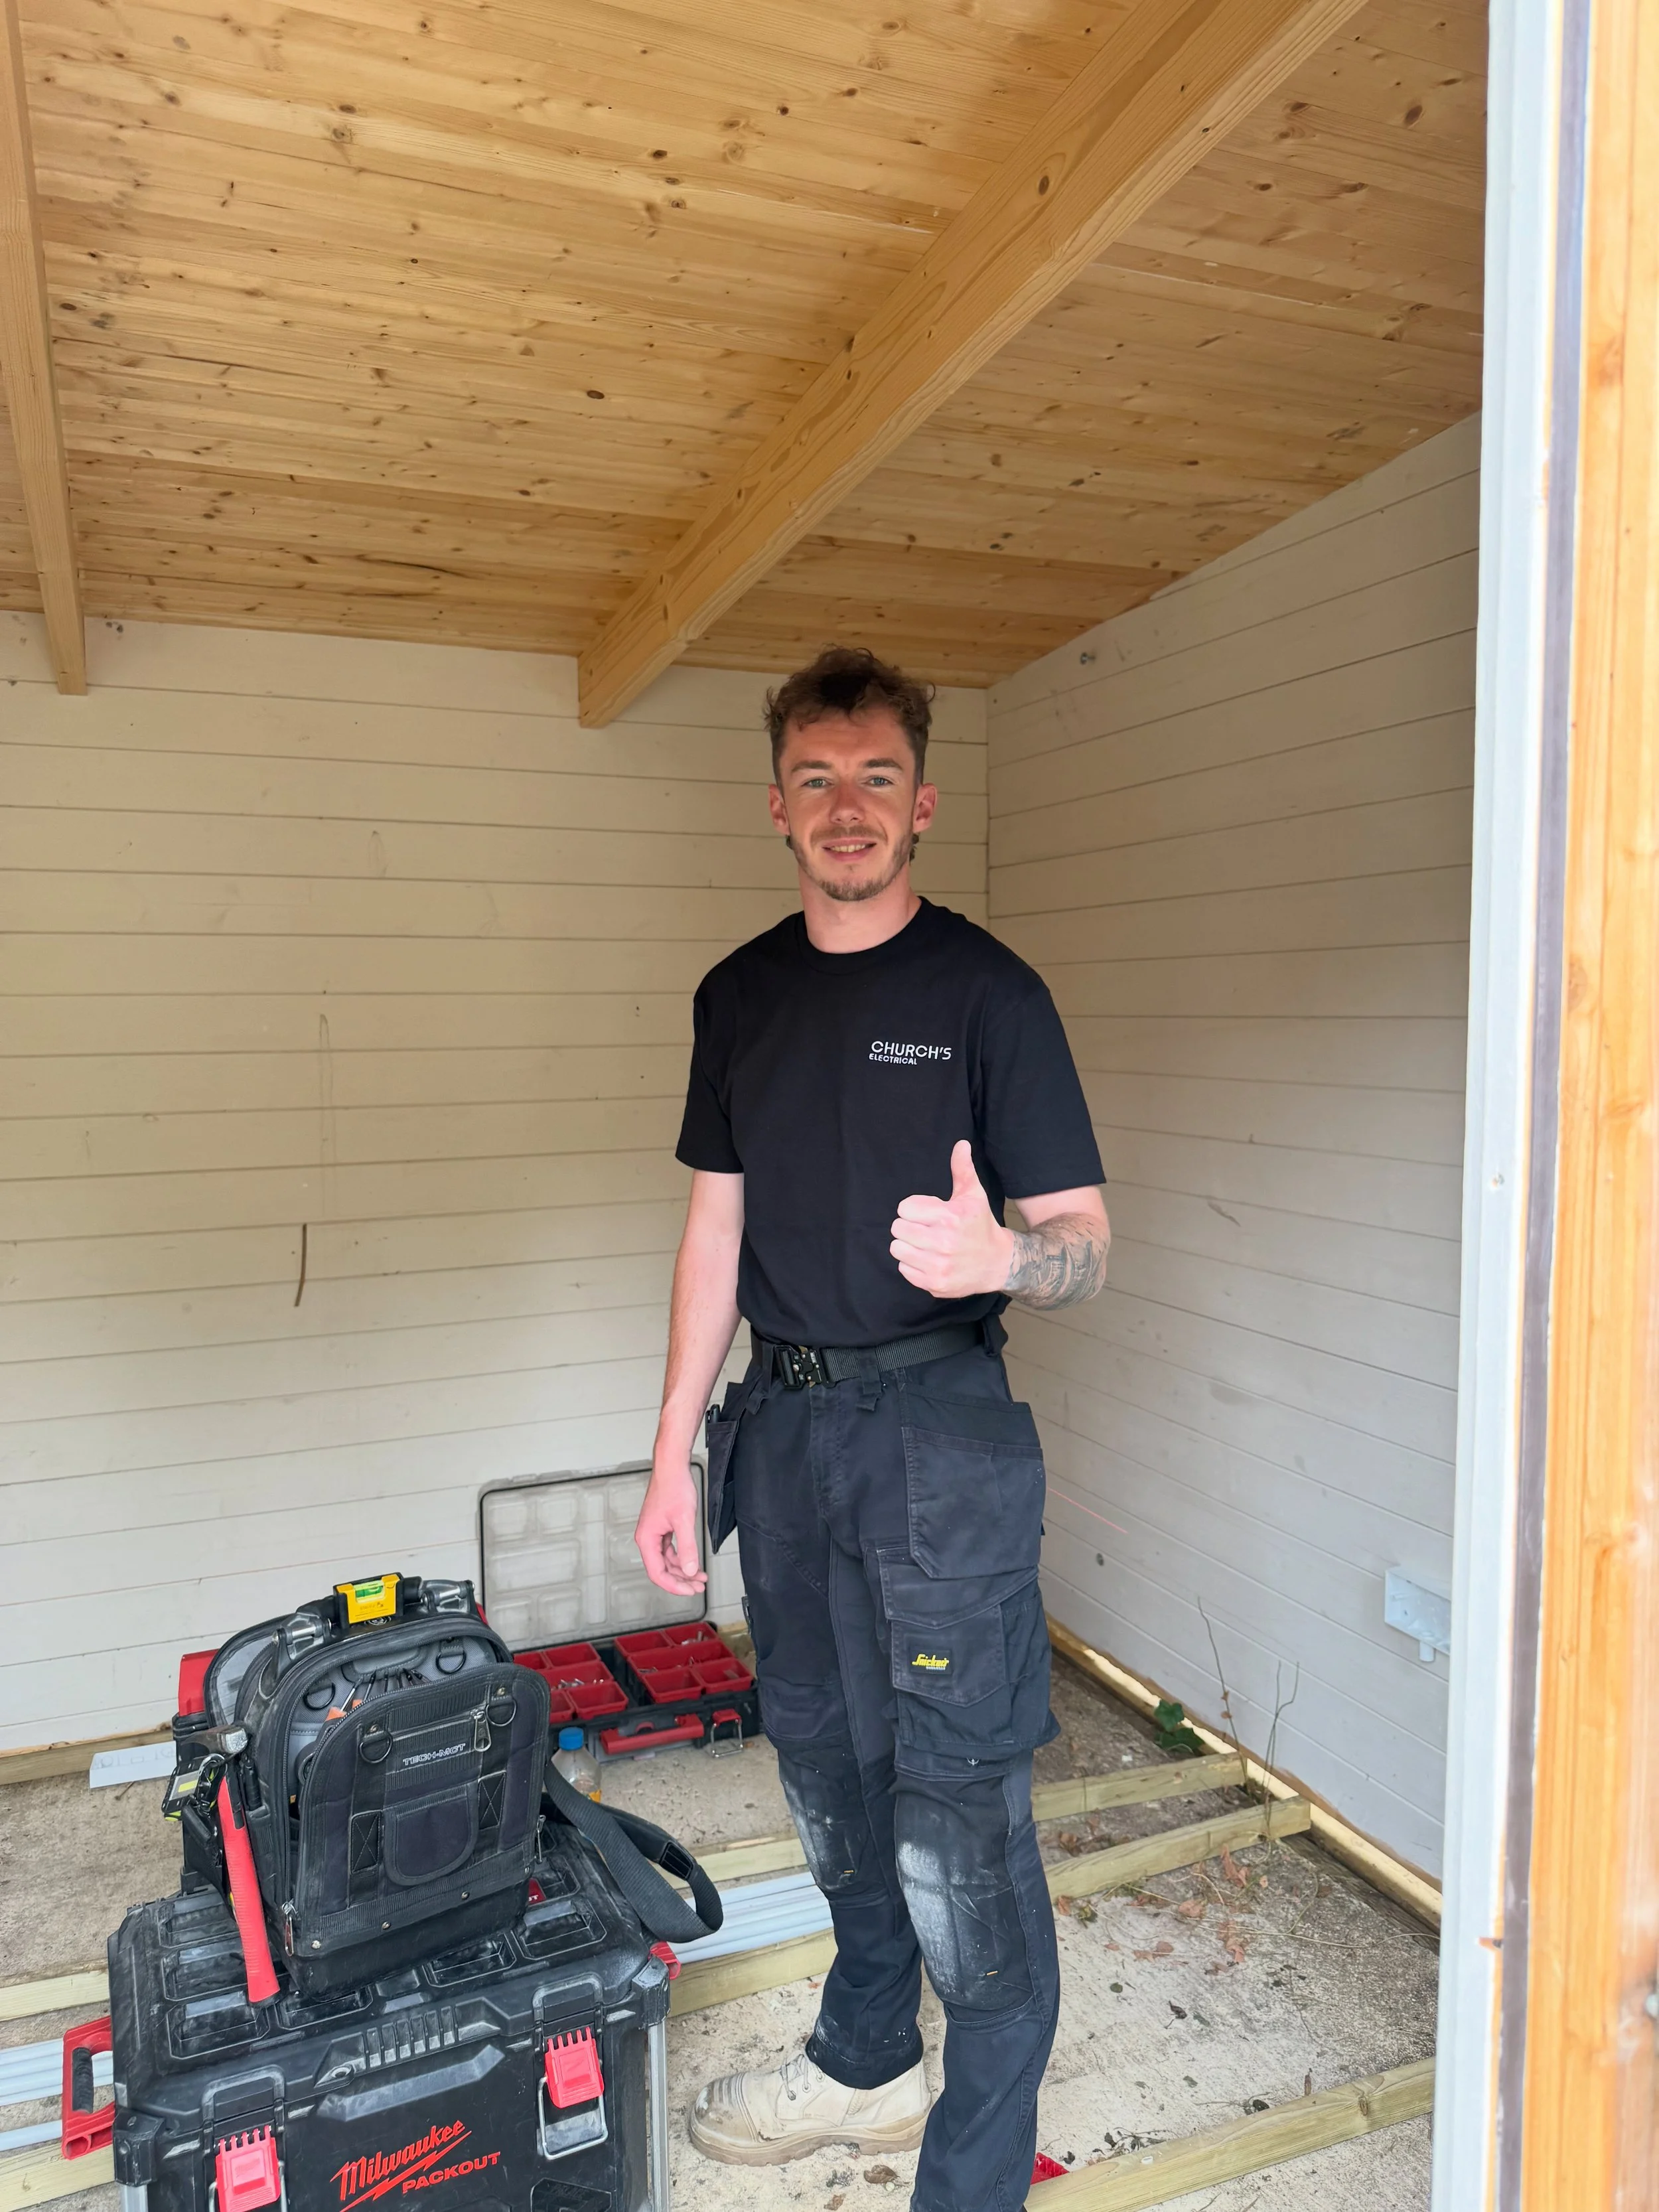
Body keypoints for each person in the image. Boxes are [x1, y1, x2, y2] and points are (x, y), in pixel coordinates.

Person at [634, 645, 1110, 2212]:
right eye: (820, 779)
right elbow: (715, 1236)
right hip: (782, 1437)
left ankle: (967, 2179)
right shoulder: (740, 996)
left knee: (958, 1802)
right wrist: (667, 1454)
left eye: (878, 778)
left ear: (922, 803)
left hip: (938, 1433)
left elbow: (1085, 1242)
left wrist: (1004, 1261)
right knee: (827, 1763)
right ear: (778, 804)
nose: (849, 807)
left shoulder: (989, 992)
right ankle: (861, 2055)